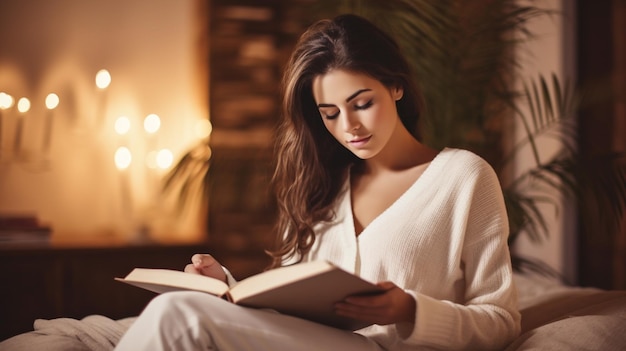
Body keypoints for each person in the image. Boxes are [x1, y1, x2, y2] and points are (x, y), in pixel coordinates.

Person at [115, 13, 521, 351]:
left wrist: (411, 311)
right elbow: (289, 311)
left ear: (396, 86)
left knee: (178, 316)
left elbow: (501, 321)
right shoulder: (322, 184)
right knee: (182, 305)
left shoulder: (463, 177)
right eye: (330, 113)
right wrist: (227, 288)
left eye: (363, 103)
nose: (350, 127)